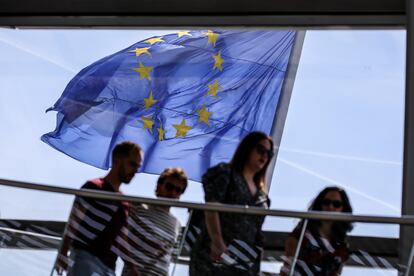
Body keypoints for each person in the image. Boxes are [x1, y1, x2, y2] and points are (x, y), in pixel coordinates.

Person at [189, 131, 273, 276]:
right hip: (213, 255)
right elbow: (212, 206)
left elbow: (257, 234)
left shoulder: (263, 198)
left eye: (269, 153)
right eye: (260, 150)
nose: (264, 156)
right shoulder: (226, 173)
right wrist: (217, 241)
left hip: (242, 263)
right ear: (248, 148)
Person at [54, 141, 143, 276]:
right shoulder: (94, 187)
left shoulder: (124, 202)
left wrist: (131, 264)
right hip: (85, 257)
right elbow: (74, 221)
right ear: (117, 159)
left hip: (109, 267)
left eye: (137, 167)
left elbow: (120, 236)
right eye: (132, 164)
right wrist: (63, 253)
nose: (135, 171)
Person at [119, 167, 188, 276]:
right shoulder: (138, 208)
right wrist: (130, 265)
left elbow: (168, 259)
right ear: (159, 186)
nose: (173, 192)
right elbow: (120, 237)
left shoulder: (177, 224)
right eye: (169, 187)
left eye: (178, 190)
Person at [280, 186, 353, 276]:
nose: (330, 207)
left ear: (343, 209)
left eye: (336, 204)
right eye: (326, 202)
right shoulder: (302, 234)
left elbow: (336, 273)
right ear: (320, 205)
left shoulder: (341, 245)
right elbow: (287, 268)